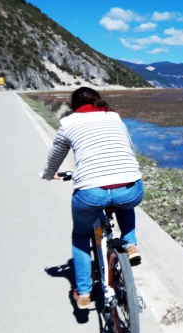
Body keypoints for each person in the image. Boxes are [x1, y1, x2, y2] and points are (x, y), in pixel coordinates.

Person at [41, 87, 144, 310]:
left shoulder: (69, 123)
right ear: (97, 100)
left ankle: (85, 291)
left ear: (73, 104)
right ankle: (130, 244)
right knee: (124, 201)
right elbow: (128, 146)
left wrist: (48, 175)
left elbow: (56, 155)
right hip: (130, 185)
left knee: (80, 235)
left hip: (90, 192)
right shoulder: (113, 116)